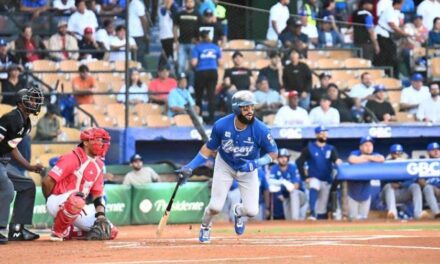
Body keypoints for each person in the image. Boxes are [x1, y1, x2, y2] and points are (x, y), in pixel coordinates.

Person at [178, 91, 278, 243]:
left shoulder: (261, 129)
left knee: (252, 211)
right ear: (236, 109)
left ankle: (238, 211)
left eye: (251, 107)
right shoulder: (222, 125)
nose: (250, 111)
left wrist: (256, 163)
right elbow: (208, 148)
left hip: (248, 168)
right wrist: (190, 166)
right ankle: (205, 226)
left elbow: (273, 153)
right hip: (225, 165)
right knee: (215, 207)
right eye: (245, 108)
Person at [41, 127, 118, 241]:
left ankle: (70, 230)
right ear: (86, 142)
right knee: (76, 200)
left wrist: (100, 216)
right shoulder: (71, 158)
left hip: (79, 205)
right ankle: (57, 231)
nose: (102, 143)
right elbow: (47, 181)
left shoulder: (99, 164)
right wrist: (49, 200)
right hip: (58, 200)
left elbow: (98, 194)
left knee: (109, 231)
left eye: (103, 140)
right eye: (98, 140)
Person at [0, 87, 45, 244]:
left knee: (27, 185)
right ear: (20, 103)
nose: (34, 102)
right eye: (31, 99)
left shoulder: (25, 123)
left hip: (3, 161)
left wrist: (29, 167)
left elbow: (12, 148)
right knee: (6, 188)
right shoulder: (11, 118)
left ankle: (17, 230)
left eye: (35, 99)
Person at [296, 126, 342, 220]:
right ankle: (312, 212)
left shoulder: (330, 148)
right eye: (321, 133)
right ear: (316, 134)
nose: (324, 135)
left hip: (326, 180)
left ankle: (319, 219)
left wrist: (338, 161)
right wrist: (305, 177)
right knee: (314, 185)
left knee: (322, 208)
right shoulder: (310, 147)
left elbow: (336, 160)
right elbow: (299, 162)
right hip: (314, 178)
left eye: (325, 132)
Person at [381, 144, 425, 220]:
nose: (397, 155)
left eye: (399, 153)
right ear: (391, 154)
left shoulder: (408, 164)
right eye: (395, 153)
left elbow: (413, 180)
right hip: (390, 194)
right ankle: (393, 214)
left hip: (404, 192)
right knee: (389, 186)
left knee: (415, 186)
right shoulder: (386, 164)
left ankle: (418, 214)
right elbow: (383, 182)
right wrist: (391, 183)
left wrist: (401, 184)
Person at [347, 136, 385, 220]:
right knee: (353, 220)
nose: (369, 147)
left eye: (370, 145)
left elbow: (382, 159)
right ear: (360, 147)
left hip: (366, 193)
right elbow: (352, 159)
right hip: (353, 193)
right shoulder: (355, 153)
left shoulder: (374, 154)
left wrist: (366, 157)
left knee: (364, 219)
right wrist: (369, 159)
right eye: (366, 145)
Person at [191, 30, 222, 124]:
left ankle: (199, 117)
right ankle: (211, 119)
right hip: (213, 71)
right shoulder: (216, 47)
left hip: (201, 72)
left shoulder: (197, 48)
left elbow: (194, 63)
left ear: (200, 38)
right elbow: (220, 63)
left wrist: (191, 66)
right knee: (211, 96)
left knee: (199, 96)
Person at [374, 0, 409, 76]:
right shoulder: (389, 10)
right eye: (402, 4)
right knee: (387, 55)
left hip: (388, 35)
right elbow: (392, 25)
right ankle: (386, 73)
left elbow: (397, 25)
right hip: (382, 35)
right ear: (398, 3)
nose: (402, 6)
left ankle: (391, 74)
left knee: (391, 55)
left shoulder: (395, 12)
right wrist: (404, 33)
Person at [269, 149, 306, 220]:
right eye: (281, 157)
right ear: (278, 159)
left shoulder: (293, 167)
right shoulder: (274, 168)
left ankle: (295, 219)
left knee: (293, 192)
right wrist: (282, 185)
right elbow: (270, 183)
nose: (283, 159)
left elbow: (296, 186)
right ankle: (292, 221)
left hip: (300, 197)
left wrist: (282, 187)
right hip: (286, 197)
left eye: (285, 157)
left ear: (288, 158)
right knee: (289, 219)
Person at [174, 0, 201, 75]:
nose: (189, 4)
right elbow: (175, 27)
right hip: (182, 43)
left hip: (193, 44)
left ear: (194, 3)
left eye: (191, 2)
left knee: (193, 65)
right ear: (185, 3)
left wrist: (198, 40)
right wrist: (176, 41)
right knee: (181, 64)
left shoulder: (198, 15)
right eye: (187, 2)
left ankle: (191, 84)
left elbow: (201, 28)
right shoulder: (180, 14)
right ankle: (181, 82)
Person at [418, 142, 440, 219]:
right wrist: (433, 188)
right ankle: (437, 214)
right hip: (428, 194)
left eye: (438, 149)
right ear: (428, 152)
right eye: (433, 150)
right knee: (428, 188)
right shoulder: (423, 164)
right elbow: (420, 181)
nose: (436, 151)